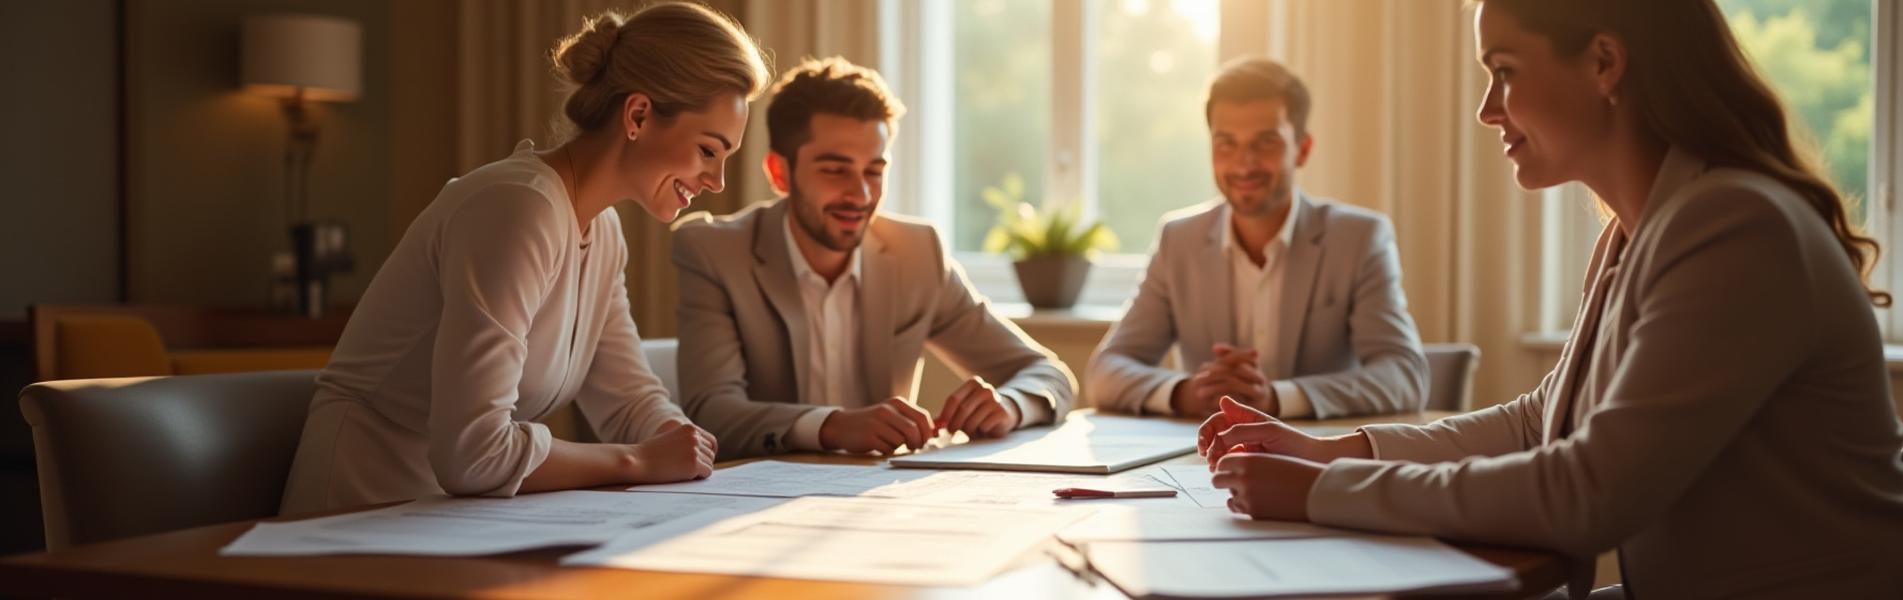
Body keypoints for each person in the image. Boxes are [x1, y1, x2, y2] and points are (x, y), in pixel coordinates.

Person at [1199, 1, 1903, 597]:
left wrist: (1322, 491)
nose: (1487, 110)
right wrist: (1325, 453)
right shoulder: (1639, 232)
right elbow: (1539, 421)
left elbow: (1586, 495)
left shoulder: (1735, 226)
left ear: (1605, 63)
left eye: (1504, 72)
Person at [280, 2, 771, 514]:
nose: (716, 183)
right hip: (361, 509)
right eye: (709, 151)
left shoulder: (602, 232)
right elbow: (474, 453)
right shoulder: (517, 207)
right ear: (639, 115)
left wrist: (679, 440)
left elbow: (627, 399)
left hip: (453, 515)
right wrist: (639, 461)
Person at [673, 57, 1075, 459]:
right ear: (780, 173)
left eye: (874, 171)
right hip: (751, 501)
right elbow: (713, 413)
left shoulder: (917, 254)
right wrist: (832, 426)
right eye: (835, 170)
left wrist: (1008, 405)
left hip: (879, 498)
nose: (861, 196)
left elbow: (1048, 374)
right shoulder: (714, 252)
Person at [1086, 57, 1427, 420]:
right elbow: (1106, 370)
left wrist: (1277, 399)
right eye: (1226, 144)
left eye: (1265, 143)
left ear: (1303, 149)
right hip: (1202, 463)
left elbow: (1405, 377)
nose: (1244, 164)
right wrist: (1186, 392)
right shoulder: (1178, 241)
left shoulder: (1358, 239)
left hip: (1317, 461)